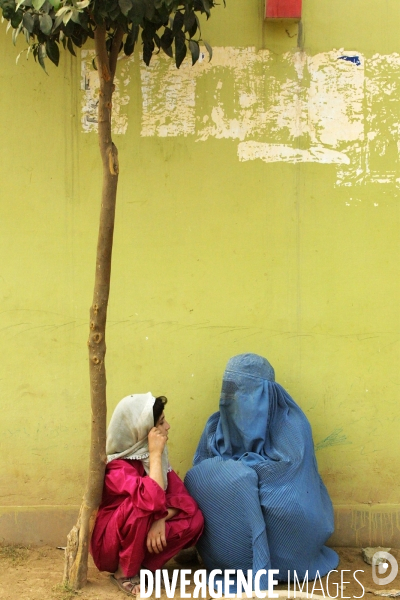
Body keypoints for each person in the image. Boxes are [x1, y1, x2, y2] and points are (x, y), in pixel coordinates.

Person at [185, 353, 339, 592]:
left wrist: (238, 476)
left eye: (241, 390)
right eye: (227, 389)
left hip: (287, 531)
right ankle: (232, 561)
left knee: (260, 492)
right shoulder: (216, 426)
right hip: (235, 529)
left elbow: (287, 481)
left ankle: (269, 565)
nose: (229, 398)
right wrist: (237, 480)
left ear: (265, 394)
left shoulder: (292, 426)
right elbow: (201, 475)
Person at [90, 392, 204, 596]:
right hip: (110, 548)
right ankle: (123, 573)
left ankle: (145, 569)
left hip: (144, 527)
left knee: (194, 520)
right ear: (143, 433)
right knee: (141, 506)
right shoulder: (117, 468)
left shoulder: (152, 459)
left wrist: (159, 519)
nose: (167, 426)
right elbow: (149, 500)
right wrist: (155, 454)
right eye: (161, 423)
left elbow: (183, 500)